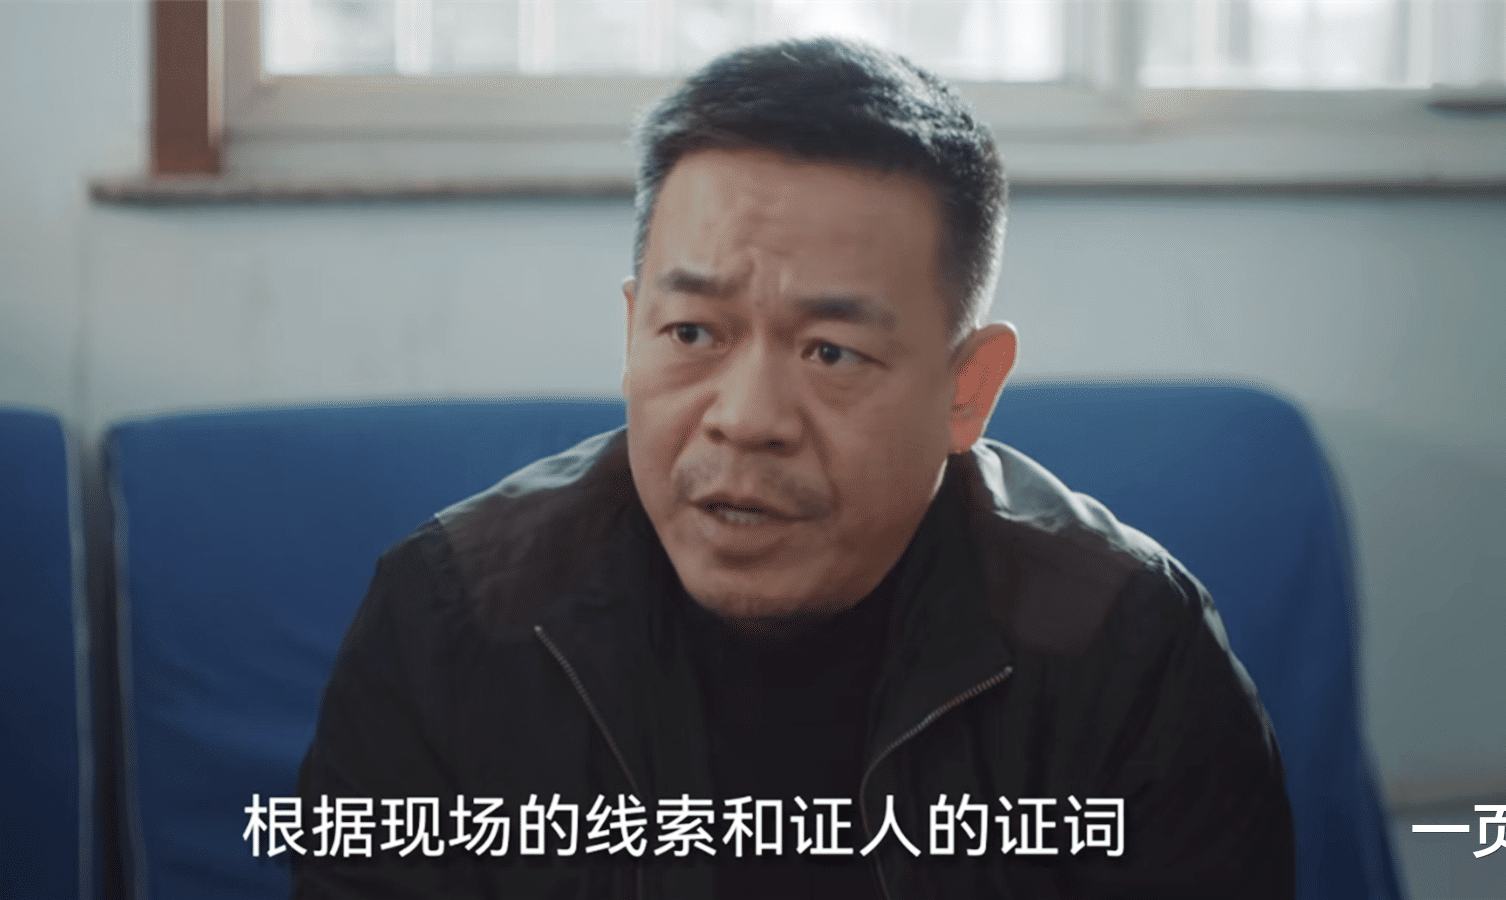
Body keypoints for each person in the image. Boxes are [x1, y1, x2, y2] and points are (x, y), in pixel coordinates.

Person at [292, 37, 1293, 899]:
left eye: (831, 352)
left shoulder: (1125, 649)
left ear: (966, 390)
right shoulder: (451, 617)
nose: (746, 420)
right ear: (631, 334)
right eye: (691, 332)